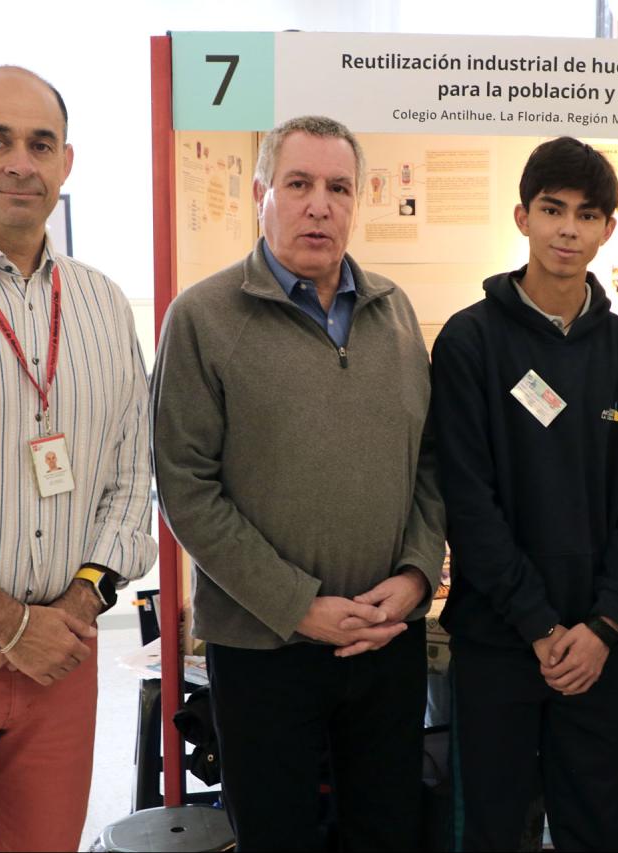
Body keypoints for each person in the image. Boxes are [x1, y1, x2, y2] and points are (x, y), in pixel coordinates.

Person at [151, 115, 445, 851]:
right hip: (263, 647)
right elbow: (185, 486)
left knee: (389, 832)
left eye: (338, 187)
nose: (320, 204)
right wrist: (298, 605)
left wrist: (415, 576)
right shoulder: (203, 317)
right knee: (277, 835)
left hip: (386, 640)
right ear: (261, 194)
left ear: (358, 199)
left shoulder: (395, 313)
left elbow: (431, 462)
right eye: (299, 184)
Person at [432, 136, 618, 851]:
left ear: (608, 229)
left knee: (595, 824)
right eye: (552, 209)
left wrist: (601, 627)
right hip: (499, 642)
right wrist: (538, 625)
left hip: (601, 645)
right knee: (495, 825)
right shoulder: (469, 342)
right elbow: (467, 501)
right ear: (522, 216)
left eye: (587, 214)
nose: (569, 228)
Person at [0, 65, 157, 852]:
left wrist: (78, 606)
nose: (22, 161)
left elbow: (129, 470)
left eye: (40, 143)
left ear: (66, 163)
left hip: (61, 658)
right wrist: (5, 618)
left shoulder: (101, 303)